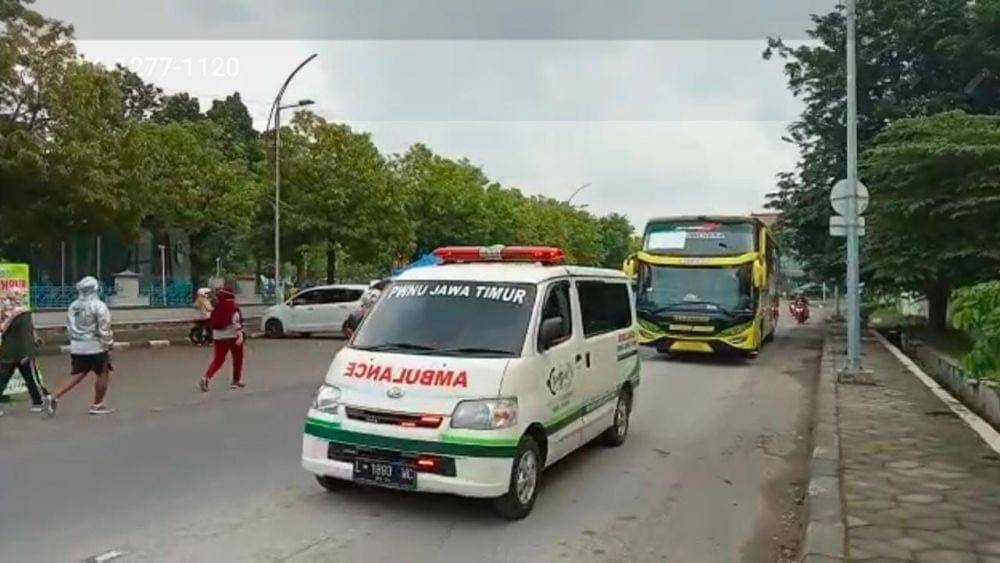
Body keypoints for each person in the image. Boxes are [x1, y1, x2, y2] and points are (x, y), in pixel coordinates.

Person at [50, 276, 115, 415]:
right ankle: (97, 404)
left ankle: (53, 396)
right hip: (96, 345)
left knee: (77, 373)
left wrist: (75, 340)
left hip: (77, 345)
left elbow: (69, 326)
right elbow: (104, 328)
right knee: (103, 373)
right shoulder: (99, 306)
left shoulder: (73, 306)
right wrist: (109, 344)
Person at [0, 288, 55, 417]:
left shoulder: (4, 313)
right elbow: (27, 335)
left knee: (2, 379)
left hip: (7, 352)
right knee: (32, 378)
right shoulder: (23, 313)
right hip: (22, 352)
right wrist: (29, 352)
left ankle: (38, 401)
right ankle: (43, 400)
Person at [199, 287, 245, 392]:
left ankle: (206, 377)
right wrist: (240, 335)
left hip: (218, 336)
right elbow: (236, 322)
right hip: (232, 336)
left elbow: (212, 320)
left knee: (218, 359)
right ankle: (235, 381)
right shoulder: (233, 307)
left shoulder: (218, 307)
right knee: (237, 358)